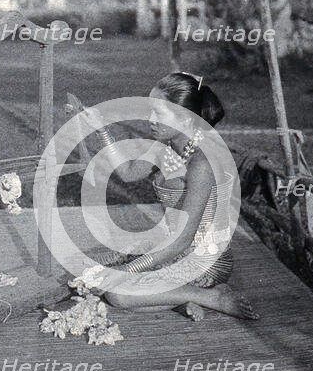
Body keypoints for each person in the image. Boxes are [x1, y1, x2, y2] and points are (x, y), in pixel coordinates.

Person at [81, 72, 259, 321]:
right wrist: (102, 131)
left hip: (204, 259)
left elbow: (183, 240)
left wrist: (124, 272)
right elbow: (127, 173)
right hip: (171, 248)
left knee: (117, 294)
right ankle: (181, 297)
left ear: (187, 119)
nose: (150, 119)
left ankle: (211, 296)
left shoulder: (202, 163)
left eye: (159, 113)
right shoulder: (165, 148)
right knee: (93, 272)